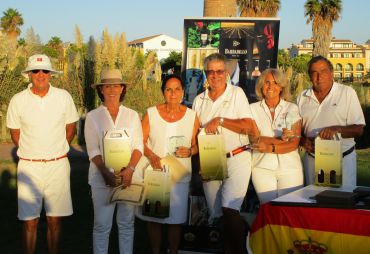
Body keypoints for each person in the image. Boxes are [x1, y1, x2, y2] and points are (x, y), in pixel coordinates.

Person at [6, 54, 79, 254]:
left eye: (45, 71)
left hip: (58, 165)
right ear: (29, 74)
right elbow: (15, 133)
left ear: (50, 74)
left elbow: (70, 129)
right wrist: (34, 152)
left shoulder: (63, 96)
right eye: (36, 71)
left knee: (55, 220)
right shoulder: (18, 100)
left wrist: (55, 149)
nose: (40, 75)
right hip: (29, 167)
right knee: (30, 221)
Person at [192, 53, 257, 254]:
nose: (215, 75)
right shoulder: (198, 100)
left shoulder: (237, 93)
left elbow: (248, 125)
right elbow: (194, 135)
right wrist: (197, 166)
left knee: (230, 209)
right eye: (210, 71)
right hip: (210, 160)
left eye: (219, 71)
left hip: (236, 157)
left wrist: (220, 120)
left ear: (226, 73)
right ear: (205, 73)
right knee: (218, 215)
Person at [138, 74, 200, 254]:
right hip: (156, 173)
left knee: (176, 218)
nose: (173, 93)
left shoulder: (192, 116)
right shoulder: (151, 113)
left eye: (177, 89)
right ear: (163, 92)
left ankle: (173, 251)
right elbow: (139, 141)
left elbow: (198, 144)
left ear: (183, 91)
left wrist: (190, 151)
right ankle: (156, 251)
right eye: (169, 89)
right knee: (154, 217)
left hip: (179, 175)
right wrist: (152, 155)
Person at [84, 69, 143, 254]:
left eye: (116, 86)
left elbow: (138, 146)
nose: (112, 90)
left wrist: (130, 169)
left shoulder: (132, 115)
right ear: (101, 90)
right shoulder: (93, 116)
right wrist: (105, 172)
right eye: (107, 86)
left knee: (126, 224)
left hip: (128, 178)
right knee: (102, 226)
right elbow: (92, 149)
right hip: (102, 179)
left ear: (122, 88)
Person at [297, 55, 365, 187]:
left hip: (342, 160)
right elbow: (297, 130)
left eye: (323, 71)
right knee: (313, 202)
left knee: (341, 204)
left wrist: (337, 129)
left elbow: (359, 129)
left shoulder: (347, 93)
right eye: (314, 72)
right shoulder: (302, 97)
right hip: (312, 160)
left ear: (332, 73)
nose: (319, 76)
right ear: (310, 76)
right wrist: (302, 140)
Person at [250, 68, 304, 204]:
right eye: (267, 82)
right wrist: (281, 140)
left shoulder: (291, 108)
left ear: (281, 87)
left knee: (290, 211)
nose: (270, 87)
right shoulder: (252, 109)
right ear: (261, 86)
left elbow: (293, 144)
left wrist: (270, 147)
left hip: (290, 169)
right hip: (261, 168)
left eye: (275, 83)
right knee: (268, 210)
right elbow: (255, 139)